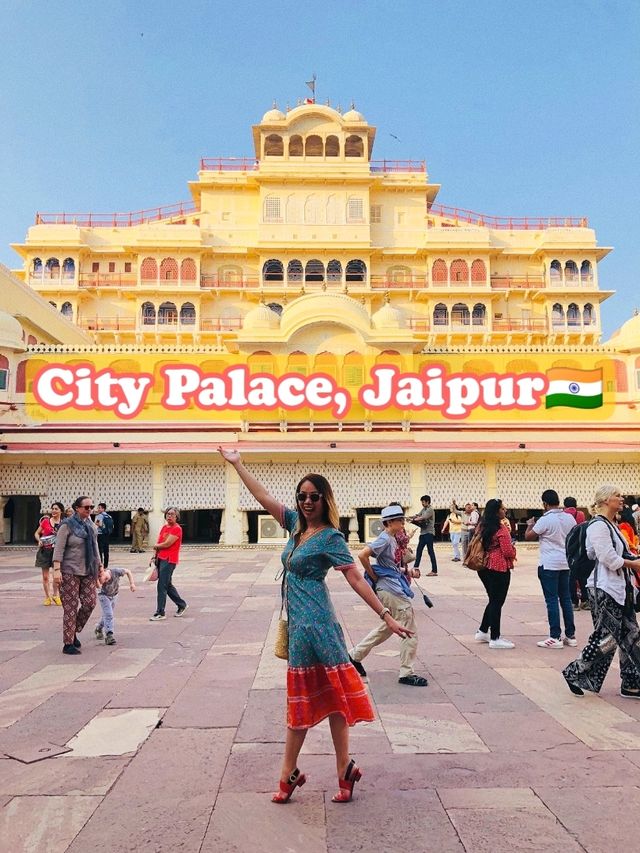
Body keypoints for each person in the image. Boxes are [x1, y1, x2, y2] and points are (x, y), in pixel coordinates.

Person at [218, 446, 411, 805]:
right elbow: (262, 496)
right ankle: (337, 769)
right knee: (305, 698)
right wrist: (238, 464)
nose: (307, 502)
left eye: (314, 497)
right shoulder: (294, 525)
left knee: (325, 696)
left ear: (325, 500)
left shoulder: (330, 537)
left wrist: (385, 616)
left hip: (319, 625)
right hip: (299, 627)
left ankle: (298, 772)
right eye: (302, 496)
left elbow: (354, 577)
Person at [563, 484, 640, 698]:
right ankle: (575, 672)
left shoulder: (611, 525)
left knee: (632, 636)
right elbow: (609, 559)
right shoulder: (598, 526)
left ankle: (632, 683)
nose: (621, 498)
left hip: (620, 589)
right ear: (606, 500)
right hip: (605, 589)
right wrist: (634, 564)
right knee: (607, 638)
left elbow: (594, 552)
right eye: (617, 495)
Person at [349, 505, 428, 687]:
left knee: (389, 627)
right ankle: (406, 672)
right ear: (389, 522)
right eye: (399, 520)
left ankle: (354, 656)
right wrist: (374, 576)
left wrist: (407, 571)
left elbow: (389, 566)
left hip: (392, 587)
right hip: (390, 590)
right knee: (409, 628)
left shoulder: (391, 539)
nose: (402, 523)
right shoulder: (384, 539)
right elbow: (362, 555)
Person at [525, 489, 577, 649]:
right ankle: (570, 635)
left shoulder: (545, 519)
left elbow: (529, 536)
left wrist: (530, 525)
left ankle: (555, 636)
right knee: (566, 599)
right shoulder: (569, 518)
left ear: (545, 504)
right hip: (566, 563)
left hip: (549, 564)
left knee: (552, 599)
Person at [52, 496, 104, 655]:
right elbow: (59, 548)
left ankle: (73, 630)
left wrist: (100, 567)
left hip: (88, 570)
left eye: (91, 507)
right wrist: (56, 569)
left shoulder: (90, 526)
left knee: (90, 602)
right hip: (69, 571)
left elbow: (95, 547)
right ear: (77, 508)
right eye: (86, 507)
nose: (89, 510)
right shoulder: (67, 526)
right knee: (70, 607)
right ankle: (68, 643)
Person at [475, 498, 516, 649]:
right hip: (499, 567)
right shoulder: (501, 528)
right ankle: (495, 637)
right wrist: (513, 549)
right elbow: (507, 551)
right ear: (496, 511)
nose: (505, 510)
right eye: (502, 508)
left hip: (484, 567)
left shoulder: (482, 526)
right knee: (497, 602)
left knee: (493, 600)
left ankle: (483, 630)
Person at [149, 508, 187, 620]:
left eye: (172, 514)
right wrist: (153, 556)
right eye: (168, 514)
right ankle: (181, 604)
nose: (169, 516)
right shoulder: (165, 527)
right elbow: (159, 542)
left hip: (170, 560)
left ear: (176, 517)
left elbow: (167, 544)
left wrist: (156, 546)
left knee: (162, 585)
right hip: (161, 558)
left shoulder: (177, 529)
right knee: (167, 584)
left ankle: (160, 612)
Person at [95, 566, 136, 645]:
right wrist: (98, 582)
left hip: (114, 595)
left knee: (107, 614)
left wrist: (132, 584)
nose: (100, 582)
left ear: (103, 571)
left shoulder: (116, 572)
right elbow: (98, 586)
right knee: (109, 614)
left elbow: (128, 571)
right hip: (103, 595)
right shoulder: (99, 581)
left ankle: (99, 628)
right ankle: (109, 635)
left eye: (100, 578)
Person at [34, 501, 65, 606]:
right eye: (53, 509)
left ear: (61, 511)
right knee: (46, 576)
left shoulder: (63, 523)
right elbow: (37, 533)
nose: (54, 511)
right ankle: (47, 597)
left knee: (56, 575)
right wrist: (39, 540)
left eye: (56, 509)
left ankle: (56, 595)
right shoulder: (46, 521)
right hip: (45, 551)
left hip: (57, 552)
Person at [564, 496, 589, 609]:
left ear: (564, 505)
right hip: (581, 547)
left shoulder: (563, 515)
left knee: (571, 576)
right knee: (583, 575)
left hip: (569, 547)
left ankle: (573, 602)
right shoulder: (581, 514)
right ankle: (585, 600)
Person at [409, 495, 438, 576]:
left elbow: (423, 517)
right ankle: (415, 567)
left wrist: (413, 520)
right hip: (423, 533)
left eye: (423, 502)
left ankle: (434, 570)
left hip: (429, 533)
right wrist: (410, 517)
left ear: (427, 502)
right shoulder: (424, 509)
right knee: (419, 551)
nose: (422, 503)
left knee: (430, 552)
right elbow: (418, 515)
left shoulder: (430, 510)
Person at [94, 502, 112, 569]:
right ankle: (106, 565)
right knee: (106, 550)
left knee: (99, 549)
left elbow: (98, 524)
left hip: (100, 534)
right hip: (106, 534)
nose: (98, 509)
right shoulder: (109, 516)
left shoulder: (99, 516)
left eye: (99, 508)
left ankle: (100, 564)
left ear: (103, 509)